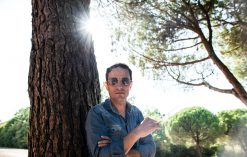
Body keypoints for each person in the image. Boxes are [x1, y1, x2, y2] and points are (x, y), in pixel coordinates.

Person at [85, 63, 160, 157]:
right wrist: (137, 133)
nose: (119, 86)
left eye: (125, 81)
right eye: (113, 81)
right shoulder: (97, 113)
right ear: (107, 85)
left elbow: (150, 150)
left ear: (130, 85)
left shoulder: (137, 113)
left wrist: (118, 148)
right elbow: (101, 154)